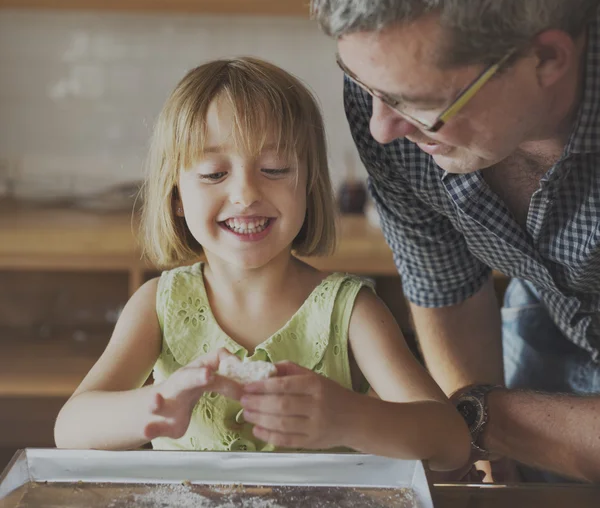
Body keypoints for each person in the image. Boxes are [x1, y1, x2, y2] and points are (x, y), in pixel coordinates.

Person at [53, 57, 469, 471]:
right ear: (176, 196)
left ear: (308, 184)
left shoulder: (350, 310)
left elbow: (450, 441)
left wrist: (349, 418)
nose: (246, 193)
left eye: (274, 168)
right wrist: (155, 406)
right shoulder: (157, 305)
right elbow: (70, 428)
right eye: (214, 173)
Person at [310, 0, 600, 482]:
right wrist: (486, 459)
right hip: (549, 318)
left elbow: (473, 416)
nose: (380, 127)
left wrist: (480, 418)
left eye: (422, 105)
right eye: (366, 86)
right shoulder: (390, 102)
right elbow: (445, 287)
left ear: (547, 60)